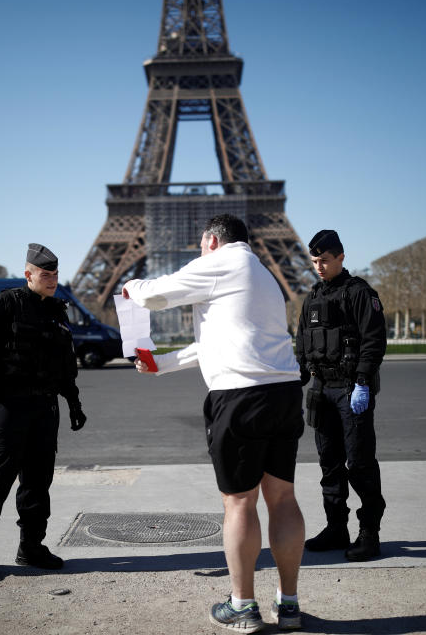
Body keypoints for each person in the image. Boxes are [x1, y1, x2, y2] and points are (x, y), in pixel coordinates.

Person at [122, 214, 305, 632]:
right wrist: (163, 365)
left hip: (241, 397)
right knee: (282, 499)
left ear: (210, 239)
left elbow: (153, 296)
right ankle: (289, 603)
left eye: (201, 246)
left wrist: (131, 288)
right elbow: (218, 341)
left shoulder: (219, 262)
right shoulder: (262, 275)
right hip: (284, 392)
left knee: (239, 502)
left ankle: (242, 606)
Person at [0, 243, 87, 581]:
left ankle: (30, 546)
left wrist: (73, 401)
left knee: (37, 483)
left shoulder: (56, 310)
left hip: (45, 408)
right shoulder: (5, 304)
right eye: (46, 275)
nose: (53, 280)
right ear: (28, 274)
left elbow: (64, 363)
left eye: (56, 275)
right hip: (8, 406)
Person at [296, 229, 387, 562]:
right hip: (321, 390)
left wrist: (363, 380)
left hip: (351, 388)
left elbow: (374, 339)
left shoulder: (360, 293)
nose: (319, 267)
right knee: (329, 465)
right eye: (315, 261)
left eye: (325, 260)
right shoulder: (313, 297)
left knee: (360, 464)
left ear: (341, 257)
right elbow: (302, 342)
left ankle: (369, 533)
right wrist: (297, 380)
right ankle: (337, 527)